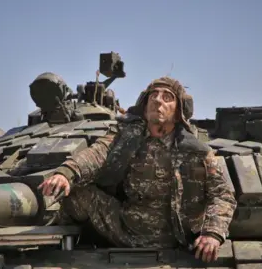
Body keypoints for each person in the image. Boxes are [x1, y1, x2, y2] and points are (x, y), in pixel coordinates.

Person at [38, 76, 237, 262]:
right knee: (75, 193)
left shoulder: (196, 151)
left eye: (167, 97)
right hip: (125, 226)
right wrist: (66, 173)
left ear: (178, 113)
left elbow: (223, 194)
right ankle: (54, 252)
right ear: (144, 106)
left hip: (177, 237)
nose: (158, 100)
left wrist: (212, 233)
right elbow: (97, 154)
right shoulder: (126, 136)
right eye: (153, 95)